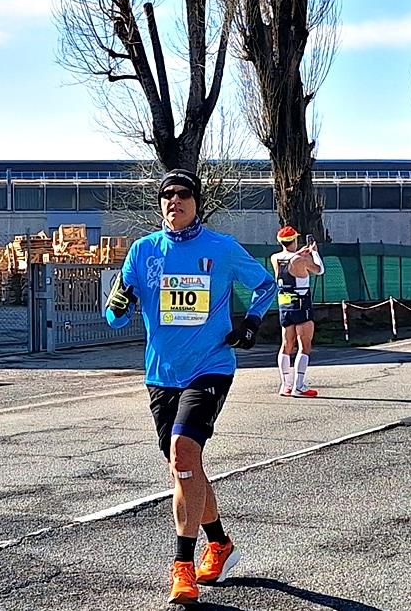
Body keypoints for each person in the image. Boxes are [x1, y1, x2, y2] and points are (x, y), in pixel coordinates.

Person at [105, 168, 278, 606]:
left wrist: (251, 323)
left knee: (183, 451)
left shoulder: (221, 248)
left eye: (183, 194)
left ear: (197, 202)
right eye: (167, 195)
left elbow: (266, 285)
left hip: (211, 366)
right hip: (161, 374)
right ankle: (220, 543)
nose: (174, 201)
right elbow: (114, 317)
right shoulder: (143, 251)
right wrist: (119, 304)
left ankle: (182, 567)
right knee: (185, 467)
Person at [269, 226, 324, 397]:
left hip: (284, 303)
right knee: (304, 344)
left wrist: (299, 253)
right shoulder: (301, 259)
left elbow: (289, 259)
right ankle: (299, 386)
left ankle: (285, 385)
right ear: (294, 240)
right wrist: (314, 253)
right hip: (301, 303)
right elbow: (319, 270)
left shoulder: (275, 258)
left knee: (286, 344)